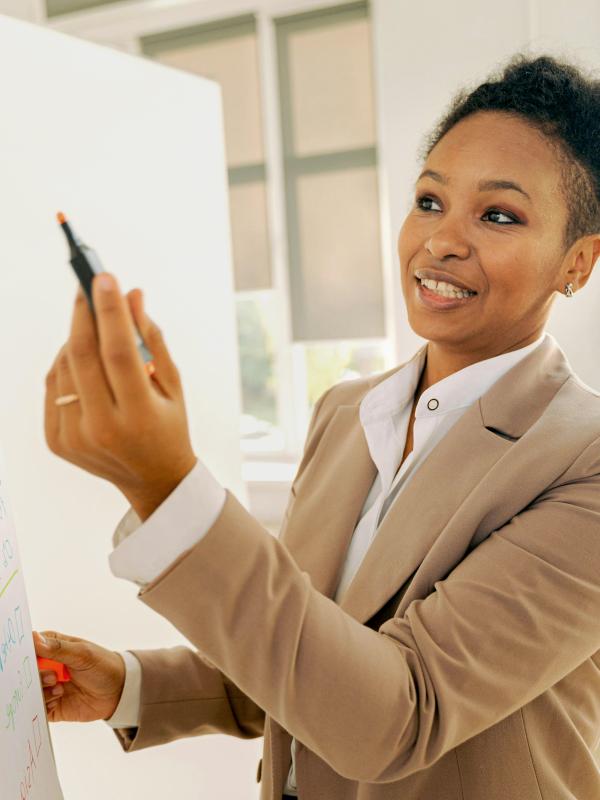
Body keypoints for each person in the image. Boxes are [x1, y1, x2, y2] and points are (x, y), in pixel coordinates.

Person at [35, 52, 600, 800]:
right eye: (430, 201)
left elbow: (396, 713)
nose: (442, 241)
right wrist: (131, 684)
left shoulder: (582, 460)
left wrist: (168, 489)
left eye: (499, 215)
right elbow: (302, 650)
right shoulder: (346, 413)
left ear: (578, 263)